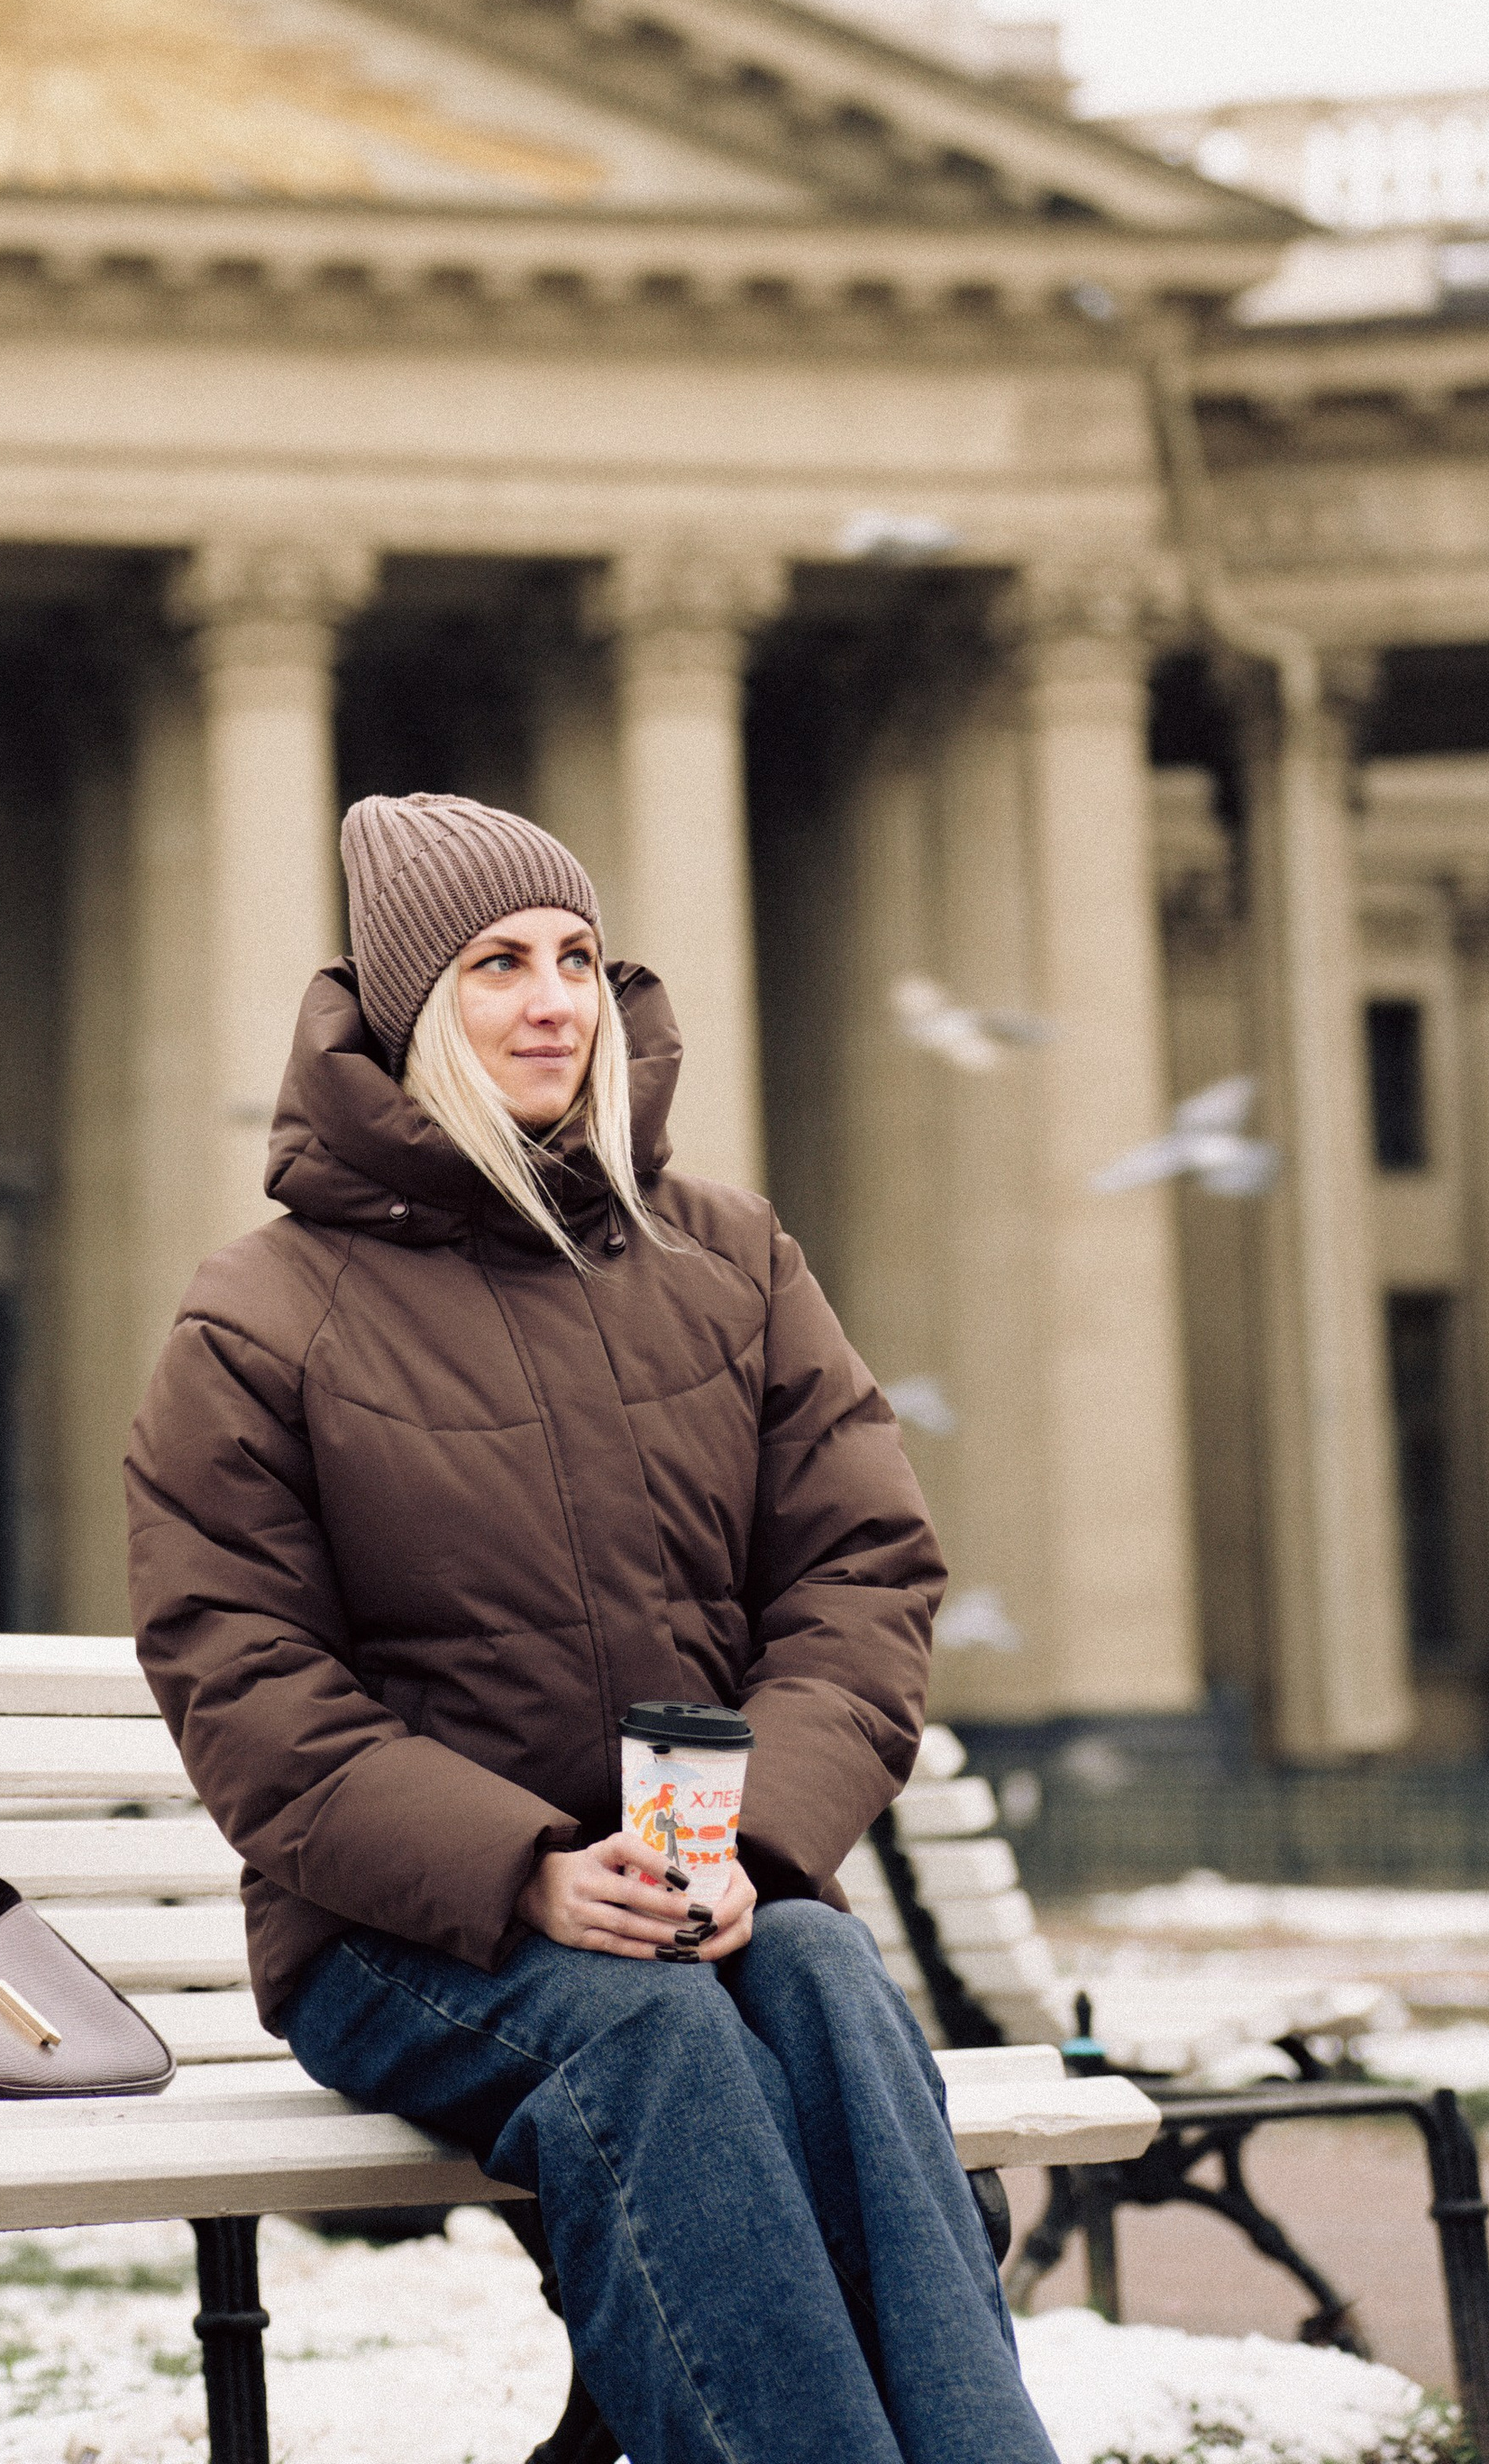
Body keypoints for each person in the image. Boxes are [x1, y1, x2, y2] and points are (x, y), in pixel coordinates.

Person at [126, 790, 1057, 2464]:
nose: (555, 1000)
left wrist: (749, 1848)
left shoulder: (731, 1260)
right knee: (649, 2028)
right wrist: (528, 1870)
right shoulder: (260, 1315)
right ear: (411, 1009)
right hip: (409, 1939)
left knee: (834, 1970)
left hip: (705, 1894)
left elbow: (859, 1575)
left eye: (575, 956)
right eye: (495, 965)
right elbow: (244, 1682)